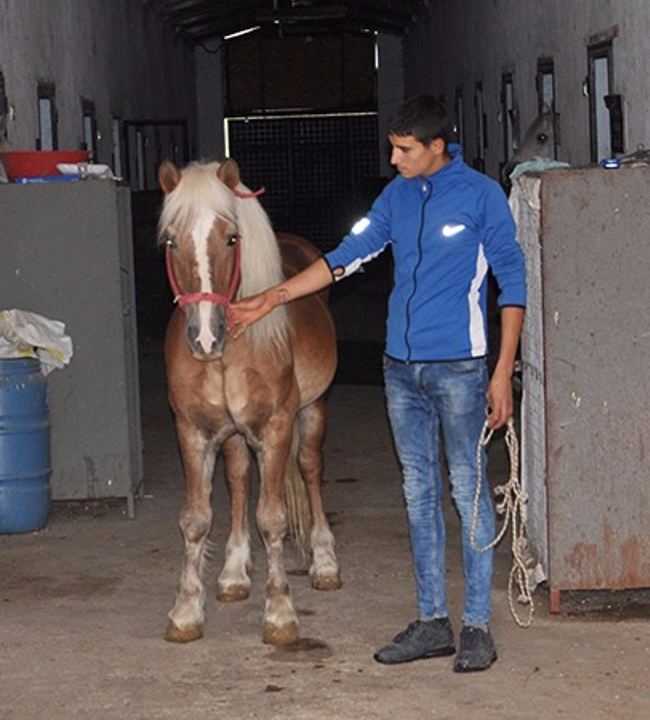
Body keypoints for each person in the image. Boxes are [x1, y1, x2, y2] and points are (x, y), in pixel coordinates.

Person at [228, 95, 526, 673]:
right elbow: (347, 255)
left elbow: (512, 284)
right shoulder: (396, 197)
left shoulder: (482, 196)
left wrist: (503, 372)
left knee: (466, 492)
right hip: (401, 370)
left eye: (405, 149)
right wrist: (274, 296)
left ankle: (477, 627)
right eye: (392, 147)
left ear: (438, 147)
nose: (393, 158)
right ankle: (433, 620)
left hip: (460, 367)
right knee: (418, 494)